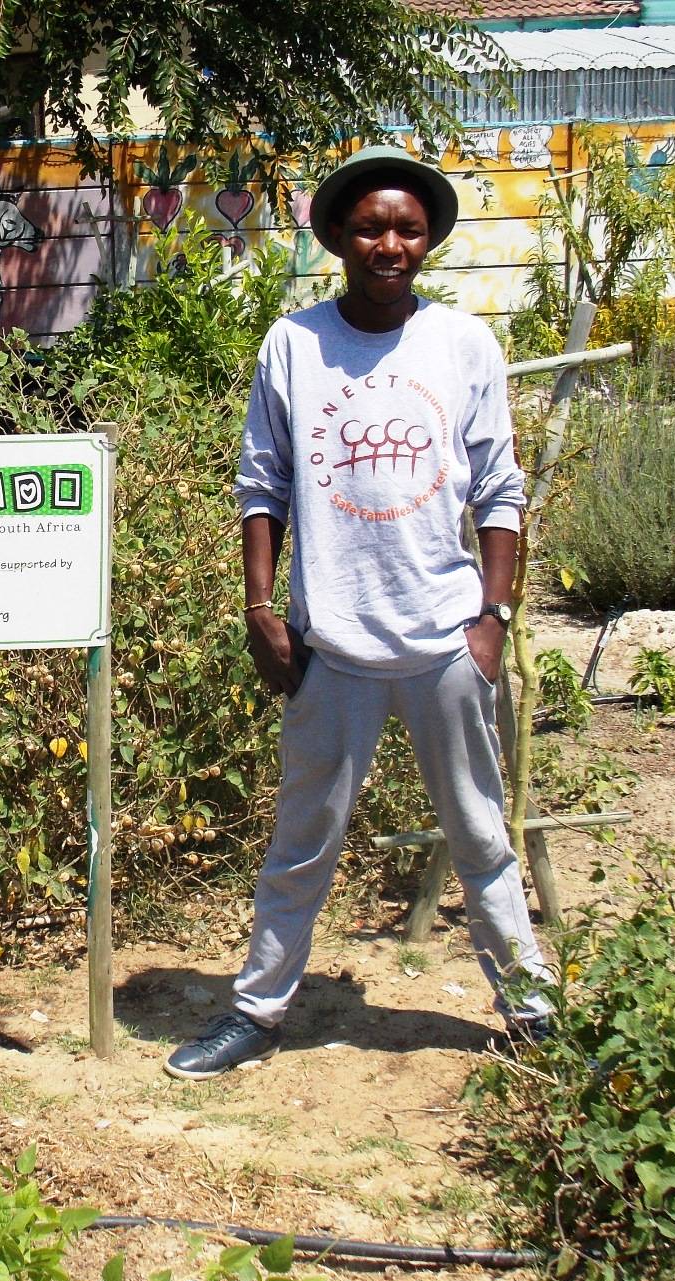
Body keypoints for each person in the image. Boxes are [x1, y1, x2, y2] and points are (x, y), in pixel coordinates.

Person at [165, 145, 555, 1080]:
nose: (389, 244)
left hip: (443, 641)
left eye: (408, 229)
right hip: (330, 644)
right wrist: (262, 608)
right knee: (302, 838)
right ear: (337, 236)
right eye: (370, 227)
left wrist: (491, 617)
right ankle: (257, 1011)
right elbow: (262, 482)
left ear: (429, 240)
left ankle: (532, 1008)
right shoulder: (293, 343)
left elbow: (499, 492)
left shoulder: (462, 344)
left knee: (480, 832)